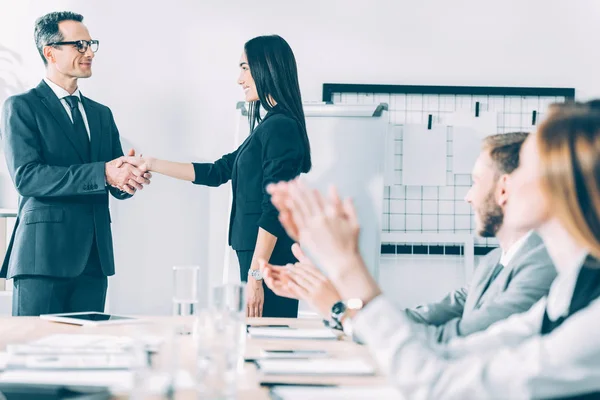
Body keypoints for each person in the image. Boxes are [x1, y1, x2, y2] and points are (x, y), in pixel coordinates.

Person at [268, 102, 600, 399]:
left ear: (566, 183)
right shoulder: (567, 290)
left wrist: (347, 268)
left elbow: (438, 384)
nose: (508, 183)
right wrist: (343, 304)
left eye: (525, 167)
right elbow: (451, 353)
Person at [261, 132, 556, 343]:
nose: (468, 197)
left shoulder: (541, 265)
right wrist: (338, 302)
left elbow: (450, 341)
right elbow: (422, 319)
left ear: (503, 189)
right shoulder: (495, 261)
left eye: (476, 182)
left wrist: (341, 297)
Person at [120, 35, 311, 318]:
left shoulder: (280, 127)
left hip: (267, 262)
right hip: (259, 258)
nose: (239, 79)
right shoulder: (269, 126)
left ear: (266, 68)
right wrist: (150, 163)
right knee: (256, 342)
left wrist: (257, 274)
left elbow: (275, 207)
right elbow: (217, 172)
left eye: (245, 68)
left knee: (267, 344)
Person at [0, 11, 151, 316]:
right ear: (50, 52)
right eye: (79, 45)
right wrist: (104, 172)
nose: (89, 52)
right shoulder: (22, 107)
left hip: (94, 259)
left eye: (91, 44)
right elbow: (28, 177)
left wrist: (128, 178)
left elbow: (112, 178)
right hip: (41, 257)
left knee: (89, 354)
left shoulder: (101, 114)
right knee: (34, 355)